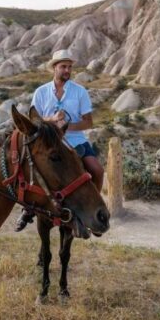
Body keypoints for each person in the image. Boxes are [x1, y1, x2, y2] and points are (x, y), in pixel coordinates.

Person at [15, 49, 104, 231]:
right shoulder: (41, 92)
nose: (67, 70)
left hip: (75, 140)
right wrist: (52, 120)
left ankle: (92, 208)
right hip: (48, 140)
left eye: (69, 67)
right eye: (63, 66)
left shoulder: (80, 92)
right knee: (30, 168)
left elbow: (88, 122)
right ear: (54, 68)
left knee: (97, 169)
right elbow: (34, 119)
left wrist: (68, 126)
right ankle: (28, 209)